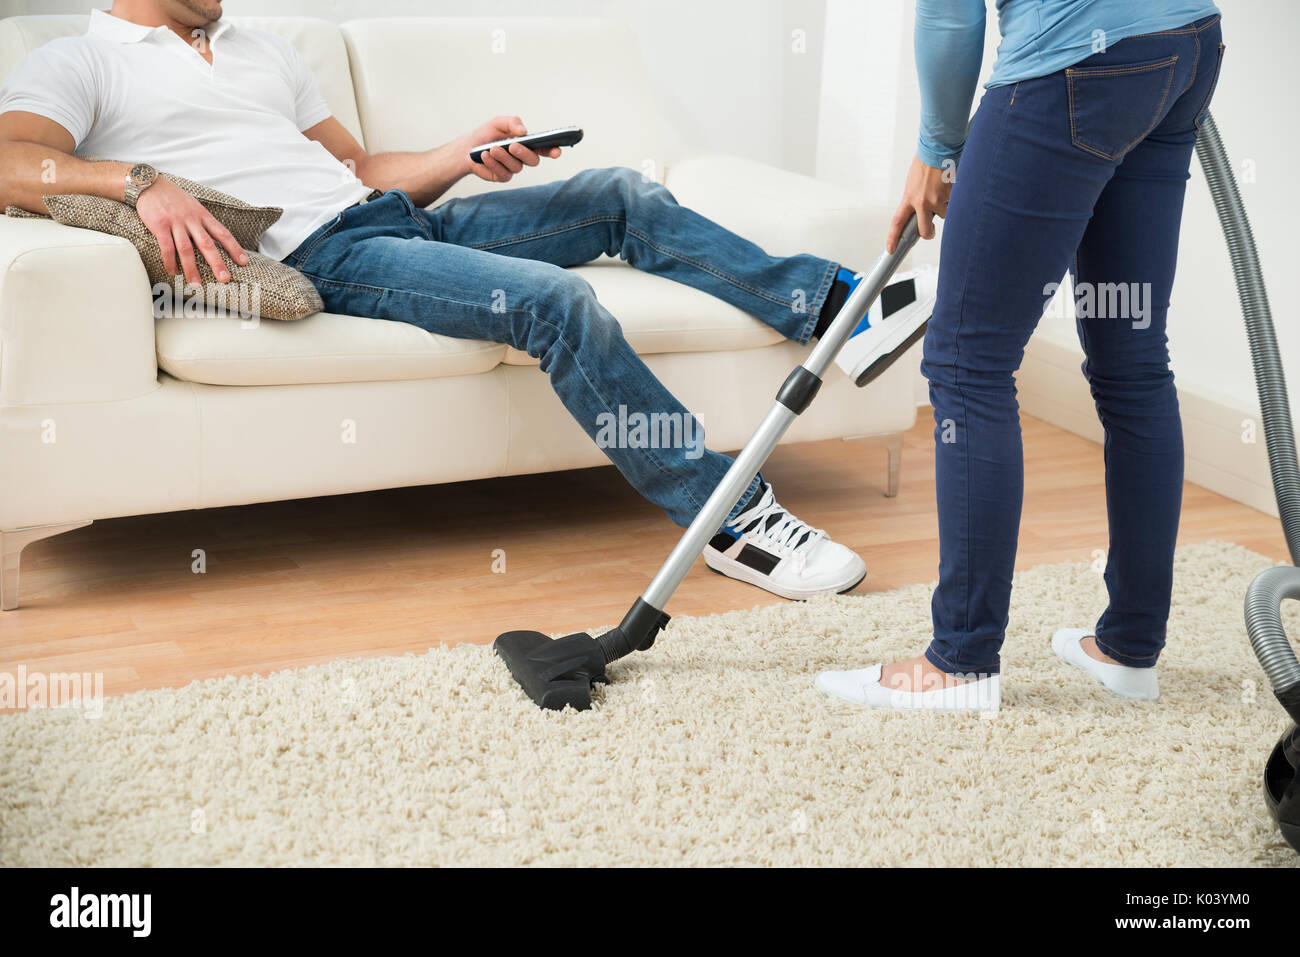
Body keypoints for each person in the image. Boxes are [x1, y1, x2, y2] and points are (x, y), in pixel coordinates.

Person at [0, 0, 933, 602]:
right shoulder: (85, 62)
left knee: (618, 193)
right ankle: (728, 515)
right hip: (330, 256)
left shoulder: (264, 50)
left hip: (389, 213)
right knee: (556, 302)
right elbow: (12, 162)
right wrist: (139, 182)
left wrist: (461, 153)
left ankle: (837, 309)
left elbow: (360, 169)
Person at [818, 0, 1225, 711]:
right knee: (1134, 362)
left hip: (1072, 60)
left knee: (968, 360)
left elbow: (950, 14)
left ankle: (960, 662)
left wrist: (938, 147)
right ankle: (1131, 647)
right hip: (1185, 44)